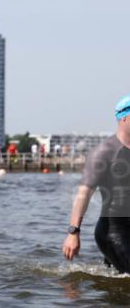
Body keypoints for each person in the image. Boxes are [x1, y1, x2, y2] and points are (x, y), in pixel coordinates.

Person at [63, 95, 130, 273]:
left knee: (117, 290)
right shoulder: (104, 152)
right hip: (113, 232)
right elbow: (84, 194)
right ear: (124, 117)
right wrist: (73, 232)